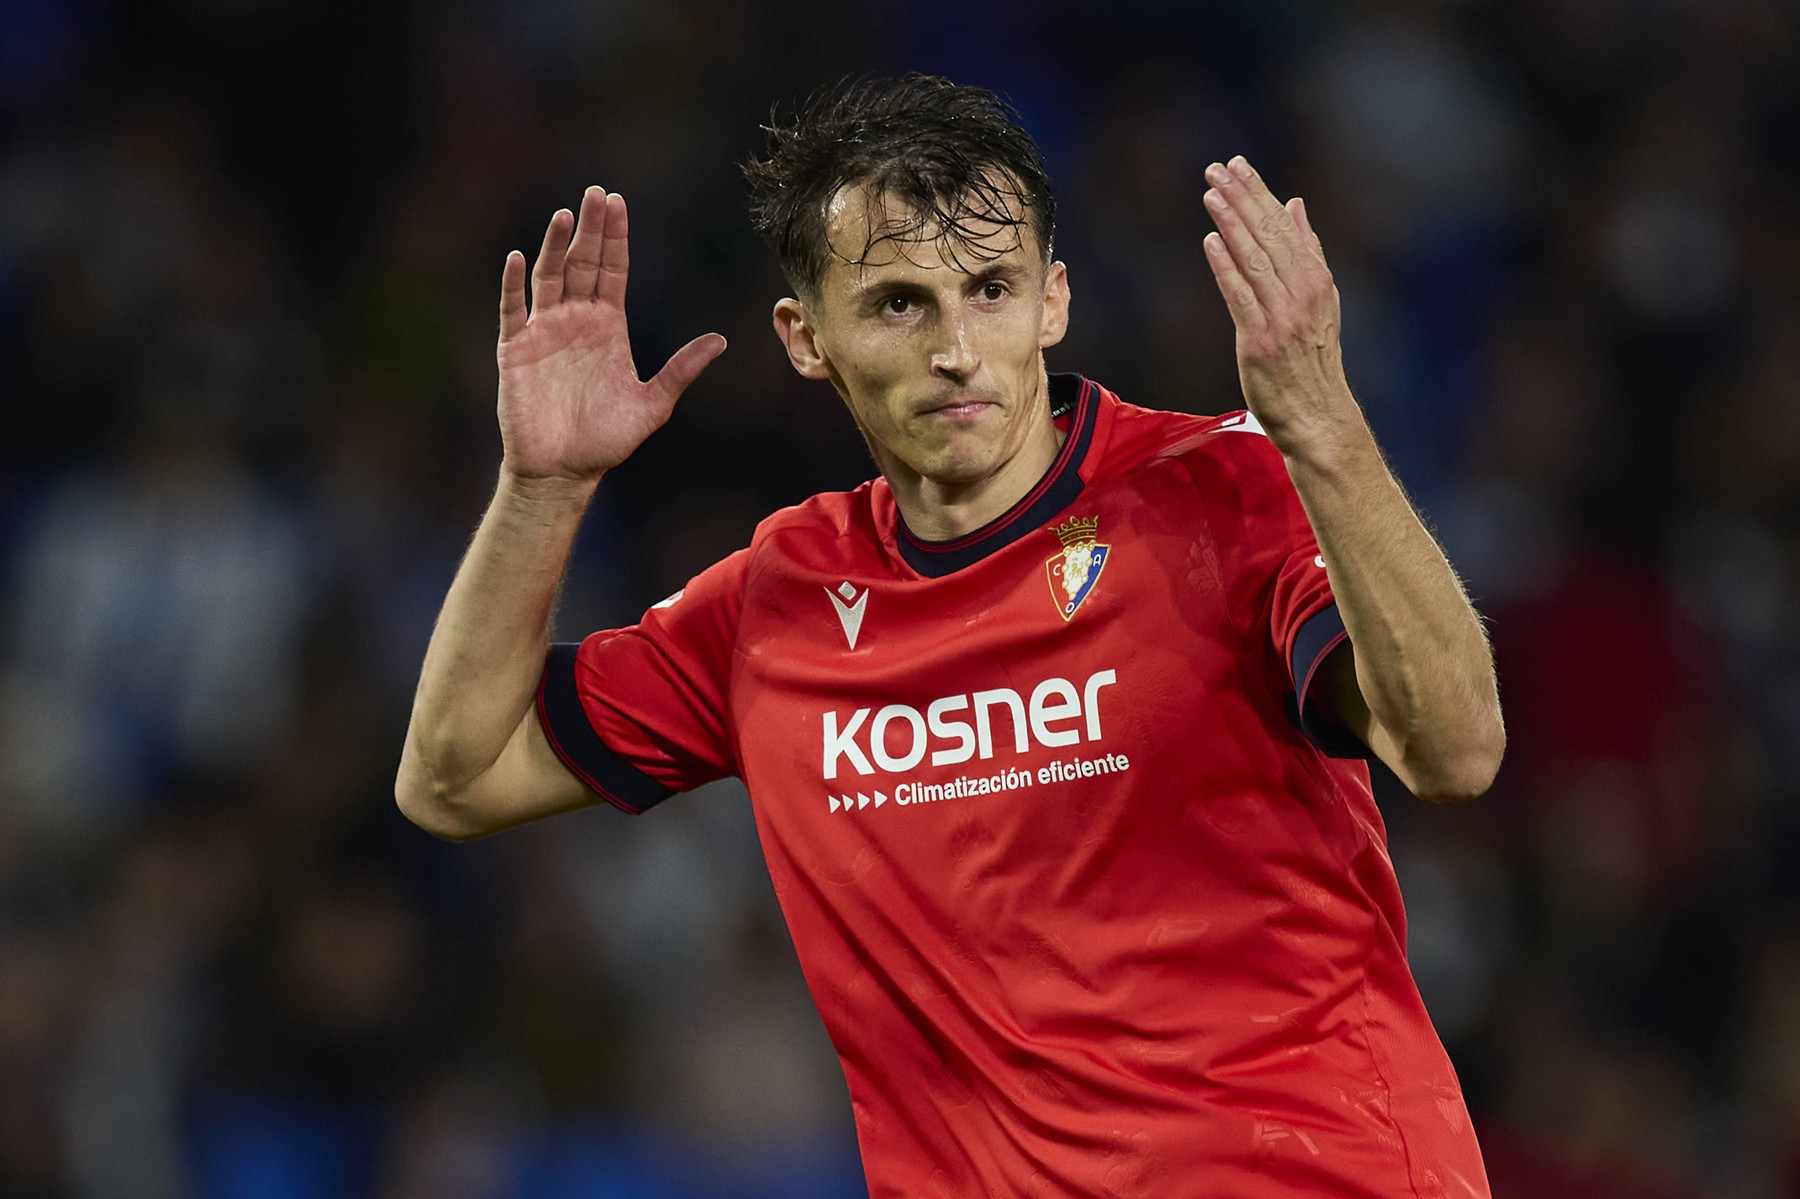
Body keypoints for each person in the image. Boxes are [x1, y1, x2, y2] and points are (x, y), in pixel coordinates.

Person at [396, 75, 1504, 1199]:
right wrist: (543, 488)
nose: (958, 347)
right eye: (897, 303)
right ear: (806, 335)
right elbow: (455, 774)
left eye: (989, 288)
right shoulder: (780, 602)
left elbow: (1454, 749)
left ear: (1053, 300)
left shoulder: (1221, 493)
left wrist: (1323, 426)